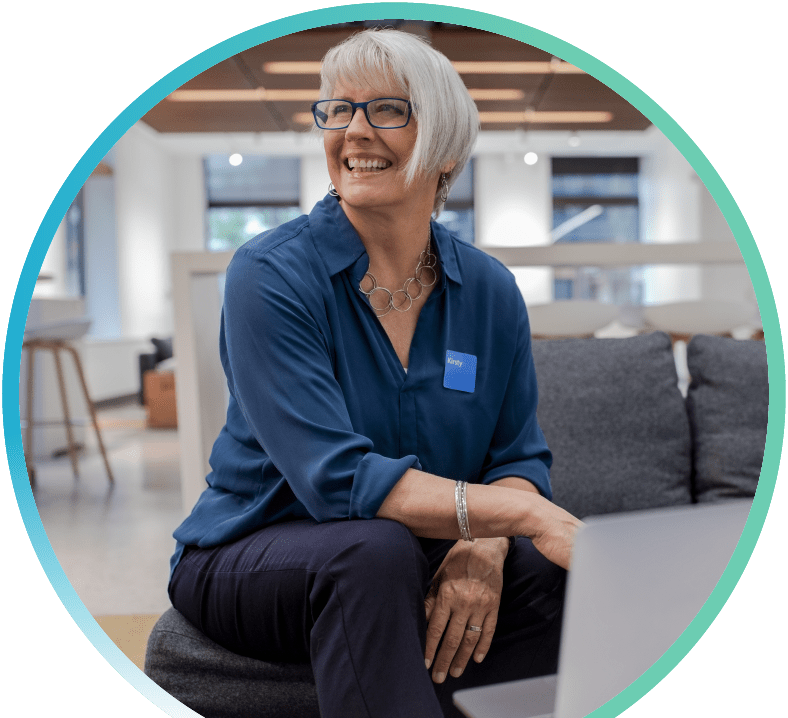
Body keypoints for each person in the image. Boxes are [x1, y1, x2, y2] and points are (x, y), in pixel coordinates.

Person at [169, 28, 582, 718]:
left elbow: (518, 456)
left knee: (550, 569)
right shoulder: (270, 274)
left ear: (446, 146)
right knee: (374, 551)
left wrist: (486, 542)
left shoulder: (488, 290)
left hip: (406, 552)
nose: (353, 131)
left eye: (387, 110)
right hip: (252, 552)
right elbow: (336, 479)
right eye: (337, 109)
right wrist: (512, 514)